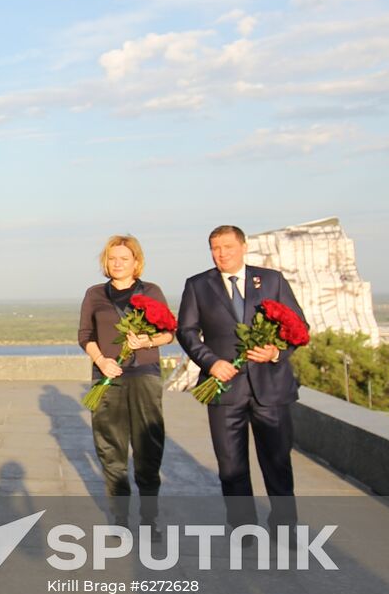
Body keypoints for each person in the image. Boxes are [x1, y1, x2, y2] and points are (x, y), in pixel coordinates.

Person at [176, 225, 307, 531]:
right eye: (215, 248)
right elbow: (186, 331)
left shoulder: (272, 280)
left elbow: (299, 327)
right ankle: (242, 527)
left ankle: (285, 525)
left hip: (271, 389)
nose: (221, 254)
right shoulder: (197, 285)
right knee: (231, 466)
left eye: (227, 247)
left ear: (244, 247)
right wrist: (211, 363)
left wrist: (276, 352)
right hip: (224, 388)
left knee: (277, 462)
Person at [78, 234, 173, 535]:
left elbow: (170, 333)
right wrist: (102, 361)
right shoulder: (94, 294)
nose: (117, 263)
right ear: (105, 261)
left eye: (124, 258)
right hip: (107, 378)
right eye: (112, 258)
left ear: (136, 262)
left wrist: (148, 340)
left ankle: (149, 519)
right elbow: (85, 336)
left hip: (144, 376)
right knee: (110, 449)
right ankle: (120, 519)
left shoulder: (152, 291)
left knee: (148, 448)